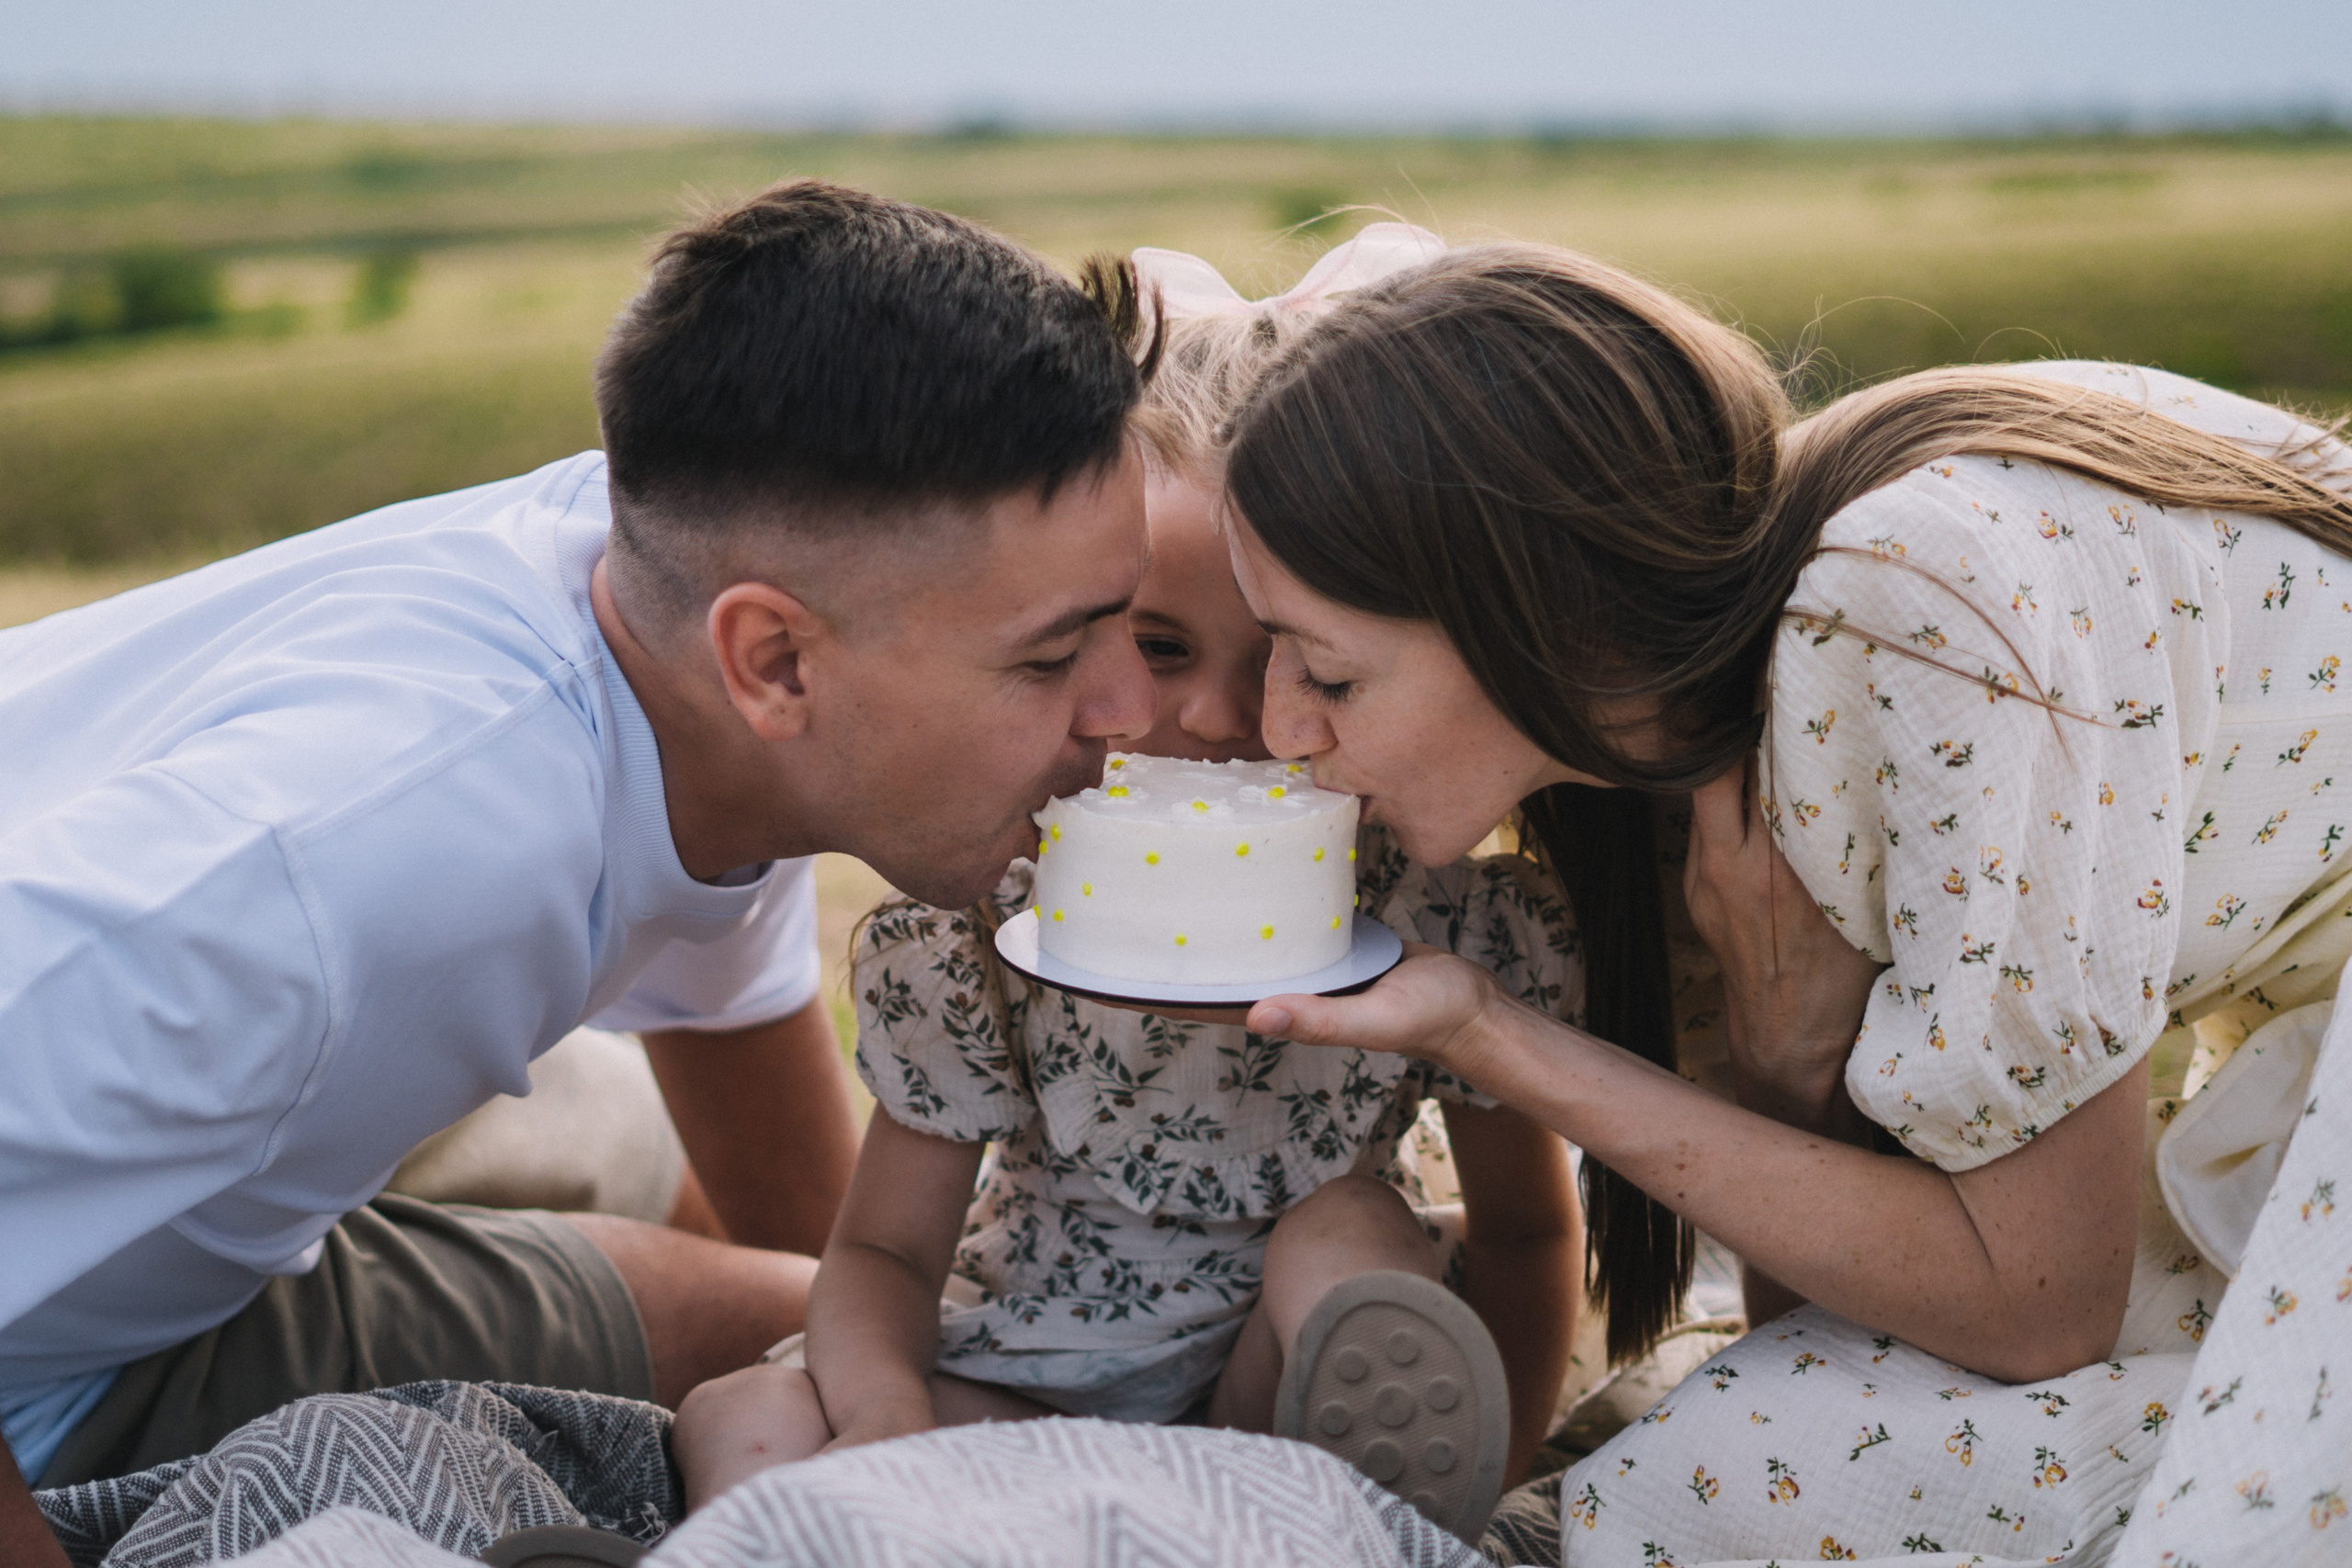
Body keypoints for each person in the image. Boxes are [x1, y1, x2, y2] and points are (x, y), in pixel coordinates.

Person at [0, 176, 1158, 1560]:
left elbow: (749, 1077)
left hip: (202, 1187)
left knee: (819, 1331)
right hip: (65, 1368)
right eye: (1051, 658)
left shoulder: (680, 609)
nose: (1128, 711)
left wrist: (865, 1361)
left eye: (1130, 628)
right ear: (774, 663)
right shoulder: (357, 859)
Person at [1204, 242, 2352, 1562]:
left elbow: (2036, 1308)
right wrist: (1786, 1072)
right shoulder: (1701, 748)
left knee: (1822, 1468)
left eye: (1330, 676)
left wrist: (1487, 1033)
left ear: (1542, 622)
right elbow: (1835, 1315)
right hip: (2252, 1069)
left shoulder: (1907, 615)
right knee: (1797, 1441)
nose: (1281, 728)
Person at [668, 239, 1581, 1542]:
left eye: (1290, 656)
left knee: (1346, 1227)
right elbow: (882, 1253)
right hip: (1029, 1386)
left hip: (1270, 1406)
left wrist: (1494, 1492)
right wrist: (883, 1418)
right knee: (743, 1410)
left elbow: (1529, 1235)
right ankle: (784, 1539)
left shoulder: (1439, 920)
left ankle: (1375, 1514)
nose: (1218, 714)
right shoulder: (991, 922)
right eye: (1159, 645)